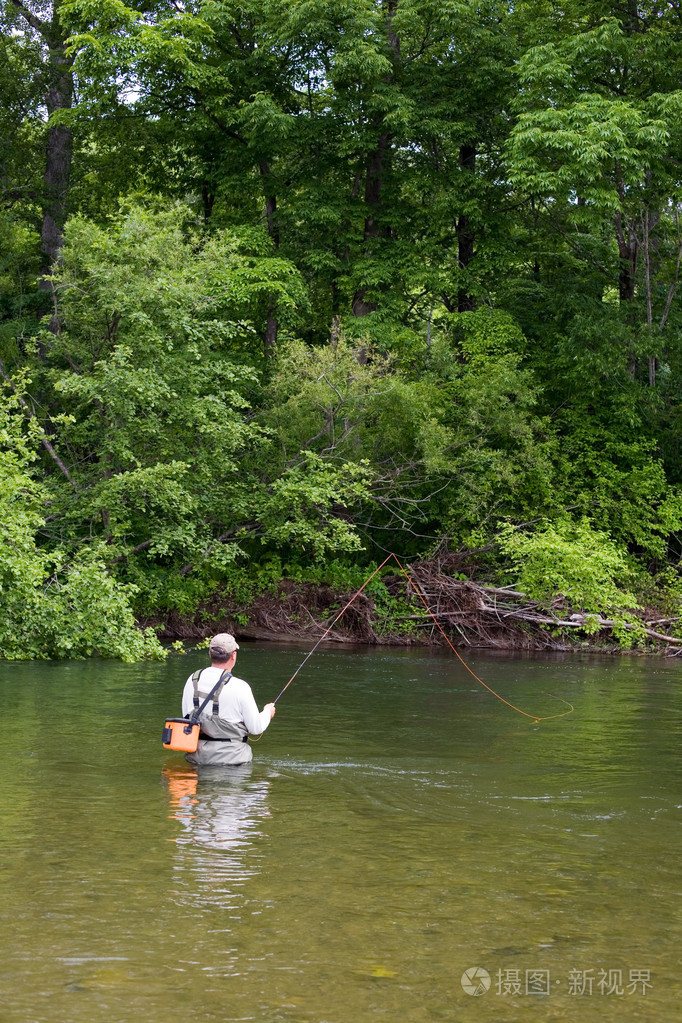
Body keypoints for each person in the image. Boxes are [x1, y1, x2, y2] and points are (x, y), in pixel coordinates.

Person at [182, 633, 275, 766]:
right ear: (233, 655)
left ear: (210, 653)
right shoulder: (240, 686)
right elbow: (256, 728)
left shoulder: (193, 679)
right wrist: (267, 712)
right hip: (233, 764)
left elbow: (186, 718)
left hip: (195, 760)